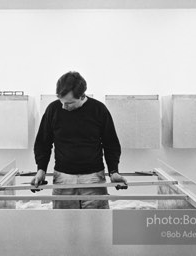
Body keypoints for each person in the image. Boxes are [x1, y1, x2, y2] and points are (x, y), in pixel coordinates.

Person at [31, 71, 127, 209]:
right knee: (64, 225)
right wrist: (41, 170)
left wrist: (114, 171)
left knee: (96, 224)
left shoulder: (99, 110)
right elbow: (43, 142)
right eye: (61, 102)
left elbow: (110, 143)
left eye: (69, 103)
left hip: (93, 179)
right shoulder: (53, 109)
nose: (64, 107)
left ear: (82, 96)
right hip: (63, 179)